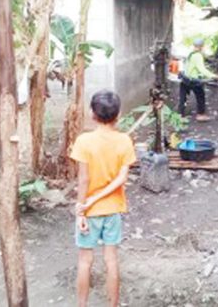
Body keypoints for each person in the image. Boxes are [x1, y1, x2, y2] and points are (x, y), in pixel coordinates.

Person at [72, 90, 136, 307]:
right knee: (111, 260)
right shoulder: (125, 141)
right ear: (118, 115)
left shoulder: (84, 141)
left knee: (84, 261)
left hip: (89, 211)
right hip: (113, 209)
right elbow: (122, 178)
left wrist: (82, 208)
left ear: (92, 114)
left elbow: (83, 180)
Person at [178, 38, 218, 122]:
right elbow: (201, 69)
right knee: (201, 96)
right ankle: (200, 115)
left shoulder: (191, 54)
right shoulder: (198, 55)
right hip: (193, 81)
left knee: (182, 98)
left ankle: (179, 116)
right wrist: (213, 76)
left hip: (185, 78)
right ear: (201, 47)